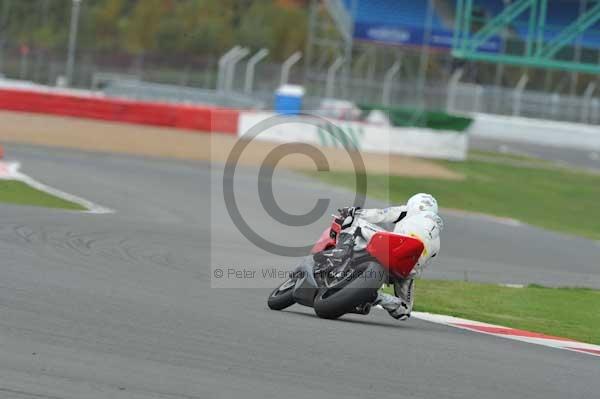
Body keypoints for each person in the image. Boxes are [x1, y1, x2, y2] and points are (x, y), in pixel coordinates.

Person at [315, 194, 443, 320]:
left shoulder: (408, 211)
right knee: (404, 311)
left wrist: (355, 211)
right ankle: (376, 297)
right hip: (408, 267)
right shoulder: (437, 242)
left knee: (353, 221)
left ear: (414, 204)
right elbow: (424, 265)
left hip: (393, 245)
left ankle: (340, 252)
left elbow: (382, 214)